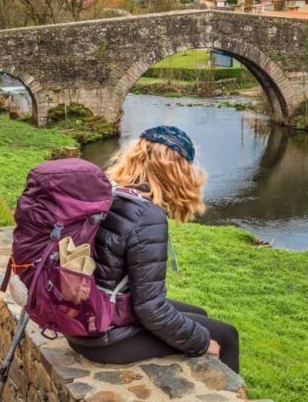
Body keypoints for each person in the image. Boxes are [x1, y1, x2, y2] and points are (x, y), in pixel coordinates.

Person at [66, 125, 240, 373]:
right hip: (105, 337)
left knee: (199, 314)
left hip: (84, 319)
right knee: (226, 336)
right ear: (176, 170)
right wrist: (203, 343)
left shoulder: (110, 192)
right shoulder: (147, 216)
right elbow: (150, 310)